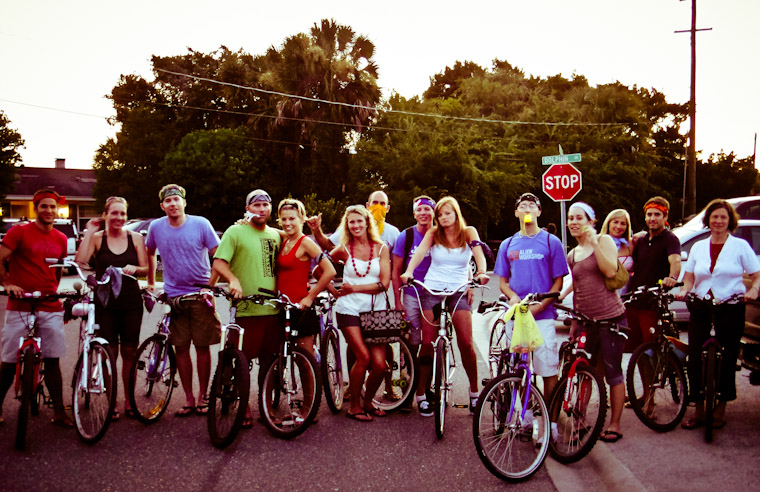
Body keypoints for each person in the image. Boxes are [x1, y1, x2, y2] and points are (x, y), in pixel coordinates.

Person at [675, 199, 760, 430]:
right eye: (714, 217)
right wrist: (684, 290)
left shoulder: (740, 246)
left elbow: (756, 274)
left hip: (731, 305)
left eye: (723, 217)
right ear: (708, 220)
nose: (718, 221)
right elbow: (690, 278)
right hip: (702, 304)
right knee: (695, 356)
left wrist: (753, 289)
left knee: (728, 357)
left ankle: (721, 407)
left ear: (730, 220)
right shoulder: (698, 247)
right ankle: (699, 409)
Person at [401, 196, 489, 415]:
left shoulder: (468, 232)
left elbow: (478, 254)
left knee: (466, 342)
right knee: (428, 342)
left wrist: (481, 273)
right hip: (432, 289)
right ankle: (420, 393)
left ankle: (475, 392)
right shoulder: (433, 233)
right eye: (440, 214)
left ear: (456, 213)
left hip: (458, 290)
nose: (443, 217)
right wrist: (409, 271)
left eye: (447, 213)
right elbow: (420, 252)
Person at [146, 184, 221, 418]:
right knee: (180, 348)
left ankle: (203, 396)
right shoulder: (156, 227)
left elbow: (218, 253)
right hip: (174, 297)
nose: (173, 204)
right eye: (168, 201)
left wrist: (210, 285)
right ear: (162, 206)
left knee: (202, 346)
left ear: (184, 203)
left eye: (176, 199)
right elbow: (149, 251)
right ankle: (188, 399)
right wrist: (151, 281)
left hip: (200, 295)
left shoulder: (201, 224)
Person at [0, 189, 73, 427]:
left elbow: (58, 269)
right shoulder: (19, 232)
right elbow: (1, 257)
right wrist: (7, 283)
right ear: (36, 208)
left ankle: (60, 412)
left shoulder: (61, 239)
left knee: (52, 360)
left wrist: (55, 289)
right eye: (44, 206)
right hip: (19, 304)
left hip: (49, 305)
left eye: (53, 207)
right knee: (9, 362)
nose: (49, 211)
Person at [213, 189, 282, 429]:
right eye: (256, 205)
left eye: (265, 205)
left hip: (273, 310)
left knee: (270, 363)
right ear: (247, 208)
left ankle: (266, 405)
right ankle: (243, 405)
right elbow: (219, 261)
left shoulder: (276, 234)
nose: (261, 209)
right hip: (245, 309)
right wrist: (233, 280)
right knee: (240, 361)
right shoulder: (235, 231)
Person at [75, 196, 148, 420]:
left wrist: (134, 268)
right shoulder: (98, 238)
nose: (119, 217)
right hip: (105, 303)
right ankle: (112, 402)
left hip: (131, 302)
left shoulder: (135, 238)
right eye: (114, 213)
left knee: (129, 353)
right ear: (106, 215)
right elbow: (82, 260)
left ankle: (129, 401)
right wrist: (89, 231)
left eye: (122, 213)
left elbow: (145, 269)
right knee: (109, 353)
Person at [494, 192, 568, 401]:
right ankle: (522, 418)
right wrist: (513, 297)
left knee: (547, 369)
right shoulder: (507, 244)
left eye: (532, 205)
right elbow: (502, 282)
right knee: (517, 368)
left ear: (539, 212)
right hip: (518, 316)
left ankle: (551, 421)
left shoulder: (550, 241)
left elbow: (558, 282)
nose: (527, 209)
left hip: (543, 317)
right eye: (523, 206)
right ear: (516, 212)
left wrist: (541, 306)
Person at [565, 201, 627, 443]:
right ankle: (580, 420)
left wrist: (593, 243)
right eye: (571, 218)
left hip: (611, 318)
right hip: (586, 321)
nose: (573, 222)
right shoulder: (572, 254)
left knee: (612, 372)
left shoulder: (604, 242)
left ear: (591, 221)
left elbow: (610, 271)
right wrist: (574, 322)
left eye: (579, 218)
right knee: (583, 371)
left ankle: (615, 423)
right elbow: (578, 289)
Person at [328, 205, 392, 422]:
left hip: (376, 310)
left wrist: (353, 287)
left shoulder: (382, 248)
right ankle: (354, 406)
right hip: (349, 309)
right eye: (351, 222)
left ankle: (368, 402)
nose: (355, 226)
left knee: (380, 365)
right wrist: (335, 292)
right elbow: (319, 269)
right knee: (363, 357)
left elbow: (384, 284)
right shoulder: (343, 249)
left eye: (359, 221)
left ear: (367, 222)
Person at [391, 195, 436, 414]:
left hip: (435, 296)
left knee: (432, 344)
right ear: (414, 213)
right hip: (410, 295)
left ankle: (426, 389)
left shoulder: (441, 234)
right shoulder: (406, 236)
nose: (424, 213)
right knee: (410, 344)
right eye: (420, 210)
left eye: (428, 209)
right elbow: (395, 270)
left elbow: (458, 258)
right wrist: (397, 301)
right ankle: (408, 390)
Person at [275, 198, 336, 354]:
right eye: (284, 219)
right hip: (283, 308)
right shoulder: (285, 240)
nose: (287, 223)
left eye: (292, 218)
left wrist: (310, 297)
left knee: (305, 360)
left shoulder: (306, 243)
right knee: (283, 357)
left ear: (302, 219)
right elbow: (268, 230)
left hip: (301, 308)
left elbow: (330, 271)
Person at [626, 197, 681, 350]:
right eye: (649, 214)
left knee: (649, 347)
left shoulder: (670, 239)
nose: (652, 218)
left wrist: (672, 278)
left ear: (665, 217)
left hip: (652, 303)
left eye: (657, 214)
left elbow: (675, 261)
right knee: (635, 348)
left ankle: (655, 374)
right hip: (634, 299)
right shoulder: (641, 240)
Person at [309, 190, 401, 253]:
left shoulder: (393, 232)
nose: (378, 206)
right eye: (375, 203)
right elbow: (329, 246)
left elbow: (396, 262)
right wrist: (316, 230)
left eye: (382, 204)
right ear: (368, 205)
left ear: (387, 208)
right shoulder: (354, 226)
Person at [600, 209, 634, 294]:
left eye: (623, 223)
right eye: (615, 222)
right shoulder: (599, 242)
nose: (619, 226)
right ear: (608, 223)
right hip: (605, 294)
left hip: (626, 295)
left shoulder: (630, 244)